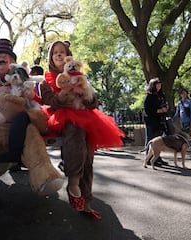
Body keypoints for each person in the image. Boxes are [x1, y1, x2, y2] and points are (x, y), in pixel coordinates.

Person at [39, 40, 124, 220]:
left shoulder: (79, 75)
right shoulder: (47, 80)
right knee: (76, 131)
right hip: (61, 117)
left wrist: (84, 93)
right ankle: (73, 182)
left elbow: (93, 101)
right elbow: (49, 102)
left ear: (69, 55)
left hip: (84, 115)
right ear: (51, 58)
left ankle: (86, 201)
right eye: (56, 53)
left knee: (88, 153)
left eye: (63, 51)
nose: (60, 55)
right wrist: (63, 94)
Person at [143, 77, 169, 166]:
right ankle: (148, 158)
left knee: (159, 140)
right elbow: (147, 109)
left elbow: (165, 104)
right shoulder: (149, 96)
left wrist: (165, 108)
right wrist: (159, 110)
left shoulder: (161, 95)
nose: (159, 86)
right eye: (157, 84)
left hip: (160, 121)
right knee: (150, 139)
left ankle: (157, 158)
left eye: (160, 84)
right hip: (151, 121)